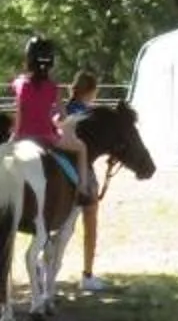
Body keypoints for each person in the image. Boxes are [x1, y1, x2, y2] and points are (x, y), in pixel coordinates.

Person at [10, 36, 89, 201]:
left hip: (21, 137)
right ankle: (82, 188)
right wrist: (55, 121)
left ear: (28, 59)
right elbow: (64, 117)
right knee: (81, 148)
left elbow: (19, 112)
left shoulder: (18, 83)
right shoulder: (53, 88)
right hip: (47, 138)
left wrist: (15, 136)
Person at [63, 68, 111, 294]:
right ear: (91, 91)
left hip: (61, 163)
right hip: (82, 168)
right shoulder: (90, 115)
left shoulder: (65, 109)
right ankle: (88, 274)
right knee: (90, 219)